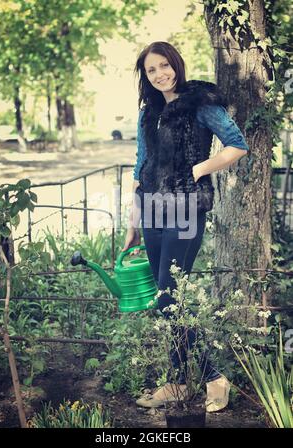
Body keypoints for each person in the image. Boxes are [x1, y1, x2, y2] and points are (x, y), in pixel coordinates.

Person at [122, 42, 249, 412]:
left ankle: (214, 377)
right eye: (151, 70)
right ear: (145, 76)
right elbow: (139, 167)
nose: (161, 74)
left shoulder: (200, 102)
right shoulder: (149, 112)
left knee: (168, 296)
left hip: (185, 208)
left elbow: (236, 144)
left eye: (165, 65)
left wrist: (198, 169)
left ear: (176, 64)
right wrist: (132, 221)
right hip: (151, 210)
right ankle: (177, 382)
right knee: (166, 302)